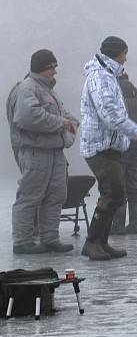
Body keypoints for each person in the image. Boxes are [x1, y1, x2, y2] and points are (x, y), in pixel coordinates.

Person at [79, 36, 137, 261]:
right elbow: (109, 112)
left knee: (114, 193)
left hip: (110, 145)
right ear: (116, 53)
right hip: (99, 146)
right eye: (124, 53)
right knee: (114, 192)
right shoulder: (100, 77)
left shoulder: (108, 75)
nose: (126, 58)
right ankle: (92, 243)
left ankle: (101, 241)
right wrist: (136, 131)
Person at [6, 49, 79, 254]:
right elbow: (28, 116)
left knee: (56, 195)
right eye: (51, 67)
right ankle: (22, 241)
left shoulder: (48, 90)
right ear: (41, 68)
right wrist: (62, 123)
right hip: (36, 153)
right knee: (30, 196)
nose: (55, 72)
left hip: (55, 152)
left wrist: (71, 122)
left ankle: (50, 238)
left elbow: (64, 114)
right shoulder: (27, 89)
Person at [110, 72, 137, 235]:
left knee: (118, 186)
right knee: (135, 186)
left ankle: (118, 226)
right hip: (136, 148)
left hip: (117, 148)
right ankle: (135, 225)